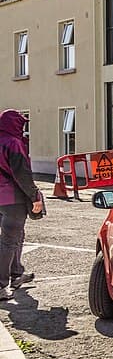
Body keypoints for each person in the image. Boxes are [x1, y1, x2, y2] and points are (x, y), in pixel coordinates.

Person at [0, 110, 42, 301]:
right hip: (12, 197)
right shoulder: (14, 143)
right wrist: (35, 196)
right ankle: (1, 285)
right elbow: (22, 174)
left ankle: (17, 274)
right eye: (21, 124)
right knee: (10, 240)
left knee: (15, 237)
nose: (23, 128)